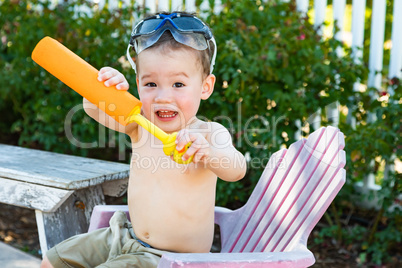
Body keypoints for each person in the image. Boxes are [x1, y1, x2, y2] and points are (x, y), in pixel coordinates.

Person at [41, 11, 246, 268]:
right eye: (150, 84)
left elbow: (236, 169)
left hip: (172, 259)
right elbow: (95, 109)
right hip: (125, 236)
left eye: (178, 85)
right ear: (138, 84)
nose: (163, 96)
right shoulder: (140, 126)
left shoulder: (209, 133)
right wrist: (104, 88)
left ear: (205, 86)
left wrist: (209, 154)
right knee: (52, 261)